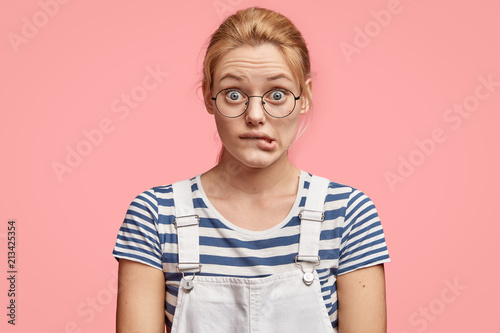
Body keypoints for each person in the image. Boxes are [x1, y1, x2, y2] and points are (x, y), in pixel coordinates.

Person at [112, 7, 390, 333]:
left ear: (305, 98)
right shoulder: (156, 215)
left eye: (277, 94)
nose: (256, 115)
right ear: (208, 96)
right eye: (234, 94)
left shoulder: (348, 214)